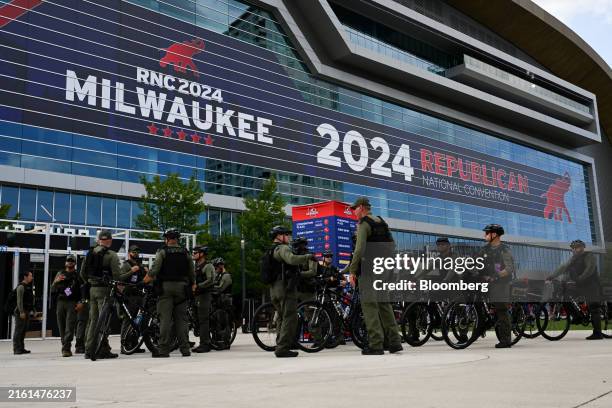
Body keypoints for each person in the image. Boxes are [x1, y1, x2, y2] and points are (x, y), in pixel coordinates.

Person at [347, 197, 403, 355]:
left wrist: (352, 270)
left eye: (355, 208)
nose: (354, 212)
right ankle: (394, 342)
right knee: (384, 304)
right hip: (383, 269)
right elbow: (393, 246)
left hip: (369, 270)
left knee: (370, 305)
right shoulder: (382, 222)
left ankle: (376, 344)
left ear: (363, 207)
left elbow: (359, 250)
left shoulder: (364, 224)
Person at [144, 229, 195, 357]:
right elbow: (191, 271)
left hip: (166, 288)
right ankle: (185, 349)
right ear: (178, 239)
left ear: (167, 239)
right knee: (182, 320)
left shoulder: (163, 251)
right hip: (182, 289)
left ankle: (163, 350)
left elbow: (155, 269)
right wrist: (193, 283)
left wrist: (145, 280)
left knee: (165, 319)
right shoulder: (185, 252)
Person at [268, 225, 313, 358]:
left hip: (274, 289)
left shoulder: (271, 250)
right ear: (279, 236)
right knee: (290, 317)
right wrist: (308, 257)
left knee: (282, 317)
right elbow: (291, 259)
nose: (288, 237)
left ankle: (279, 343)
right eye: (286, 235)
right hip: (285, 288)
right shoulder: (283, 248)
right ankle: (283, 348)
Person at [547, 239, 603, 340]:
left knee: (593, 307)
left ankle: (598, 333)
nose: (575, 249)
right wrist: (552, 276)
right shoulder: (573, 259)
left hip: (591, 284)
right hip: (580, 284)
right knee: (566, 297)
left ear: (582, 247)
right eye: (573, 248)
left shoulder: (588, 256)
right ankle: (577, 316)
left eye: (577, 247)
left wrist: (580, 279)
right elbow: (564, 267)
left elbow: (589, 269)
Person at [80, 230, 121, 359]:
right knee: (104, 322)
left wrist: (90, 282)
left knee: (93, 321)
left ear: (99, 240)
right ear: (110, 240)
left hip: (92, 289)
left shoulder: (90, 253)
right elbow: (117, 275)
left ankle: (89, 349)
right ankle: (100, 350)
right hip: (105, 290)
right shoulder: (111, 255)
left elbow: (82, 273)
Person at [480, 224, 514, 349]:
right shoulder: (484, 249)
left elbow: (509, 268)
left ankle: (506, 340)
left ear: (494, 234)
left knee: (501, 309)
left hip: (501, 282)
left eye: (487, 233)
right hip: (487, 281)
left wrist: (496, 275)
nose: (485, 235)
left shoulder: (504, 249)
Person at [118, 245, 148, 354]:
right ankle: (124, 345)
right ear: (129, 253)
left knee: (138, 321)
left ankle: (134, 344)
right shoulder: (126, 265)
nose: (135, 253)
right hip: (129, 296)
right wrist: (131, 271)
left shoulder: (140, 265)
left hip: (139, 295)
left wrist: (146, 271)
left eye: (137, 251)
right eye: (133, 251)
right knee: (127, 320)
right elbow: (120, 278)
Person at [51, 255, 81, 357]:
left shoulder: (77, 275)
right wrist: (56, 281)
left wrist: (81, 302)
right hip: (60, 301)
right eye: (68, 260)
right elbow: (53, 288)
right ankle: (65, 345)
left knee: (70, 326)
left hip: (71, 302)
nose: (70, 262)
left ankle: (66, 348)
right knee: (61, 326)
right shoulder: (60, 274)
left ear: (75, 263)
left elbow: (81, 290)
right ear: (65, 262)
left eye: (72, 261)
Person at [192, 245, 214, 353]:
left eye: (195, 252)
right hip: (197, 295)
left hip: (204, 295)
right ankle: (203, 342)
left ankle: (205, 344)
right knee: (198, 320)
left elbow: (210, 280)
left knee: (203, 320)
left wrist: (199, 286)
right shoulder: (196, 266)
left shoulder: (208, 266)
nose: (193, 254)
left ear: (202, 254)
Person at [13, 270, 34, 355]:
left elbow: (30, 300)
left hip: (27, 311)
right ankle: (16, 348)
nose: (31, 277)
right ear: (25, 277)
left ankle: (21, 347)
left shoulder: (28, 287)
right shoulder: (21, 287)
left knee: (23, 330)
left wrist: (33, 310)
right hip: (21, 312)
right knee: (18, 330)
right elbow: (19, 301)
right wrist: (21, 312)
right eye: (30, 276)